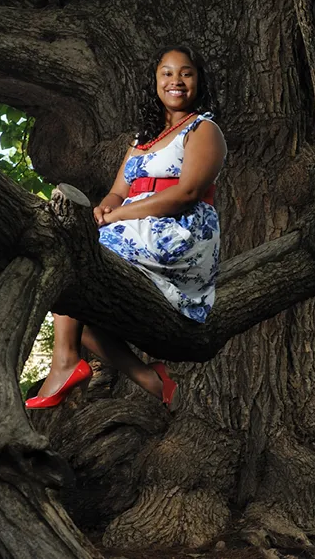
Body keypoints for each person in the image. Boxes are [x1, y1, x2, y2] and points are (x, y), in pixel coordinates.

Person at [26, 44, 227, 409]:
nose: (176, 81)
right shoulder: (143, 139)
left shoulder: (203, 129)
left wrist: (117, 217)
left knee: (74, 265)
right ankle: (148, 378)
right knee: (73, 300)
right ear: (155, 81)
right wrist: (104, 209)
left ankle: (65, 364)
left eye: (186, 72)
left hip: (178, 230)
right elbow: (120, 191)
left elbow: (188, 193)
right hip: (132, 223)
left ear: (199, 80)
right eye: (167, 72)